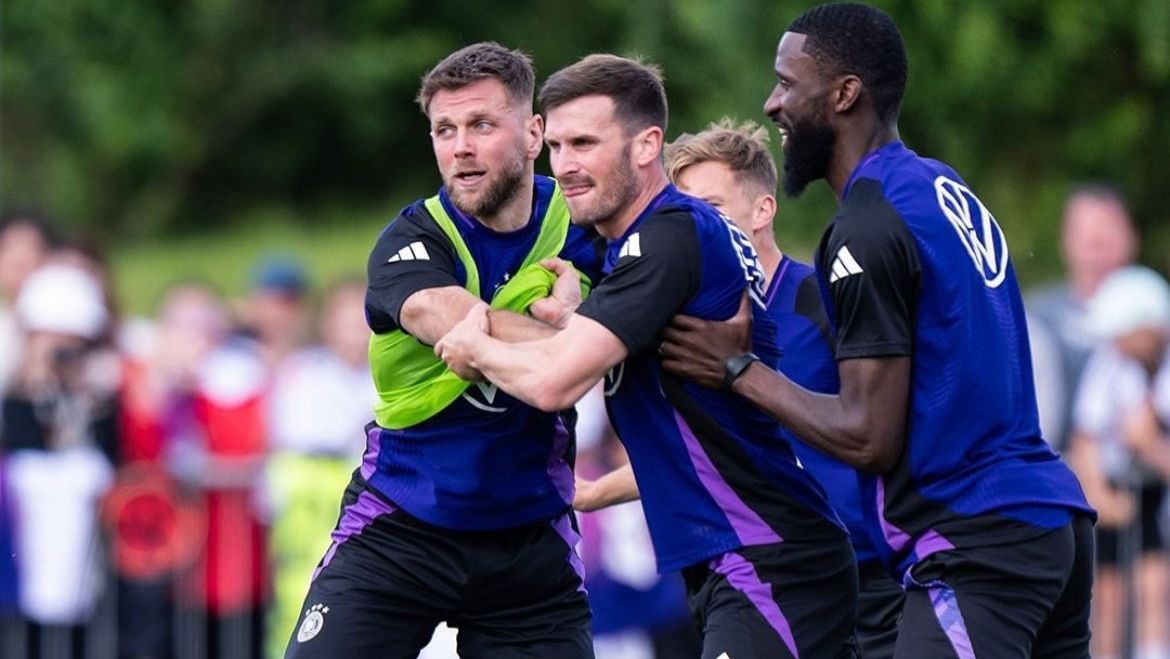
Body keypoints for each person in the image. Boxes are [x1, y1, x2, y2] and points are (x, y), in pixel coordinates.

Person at [654, 4, 1096, 657]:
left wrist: (739, 370)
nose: (773, 104)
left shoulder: (864, 224)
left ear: (843, 93)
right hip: (1050, 523)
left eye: (787, 82)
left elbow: (868, 433)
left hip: (977, 540)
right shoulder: (943, 186)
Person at [436, 53, 857, 659]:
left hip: (768, 557)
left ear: (646, 145)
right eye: (555, 145)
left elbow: (555, 381)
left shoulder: (669, 237)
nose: (566, 166)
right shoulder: (628, 240)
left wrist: (475, 343)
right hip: (737, 558)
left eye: (584, 142)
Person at [283, 42, 603, 659]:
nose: (461, 146)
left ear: (534, 132)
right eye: (444, 129)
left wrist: (587, 330)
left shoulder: (586, 221)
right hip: (402, 525)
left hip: (528, 541)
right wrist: (590, 337)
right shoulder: (411, 239)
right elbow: (451, 318)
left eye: (482, 124)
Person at [1067, 266, 1170, 659]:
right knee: (1107, 591)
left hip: (1152, 491)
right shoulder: (1109, 363)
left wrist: (1150, 447)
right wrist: (1098, 494)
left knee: (1153, 581)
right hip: (1114, 487)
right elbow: (1086, 436)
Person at [1028, 185, 1137, 452]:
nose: (1098, 252)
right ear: (1065, 243)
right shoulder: (1035, 318)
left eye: (1108, 239)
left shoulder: (1158, 318)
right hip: (1057, 471)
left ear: (1133, 240)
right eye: (1089, 240)